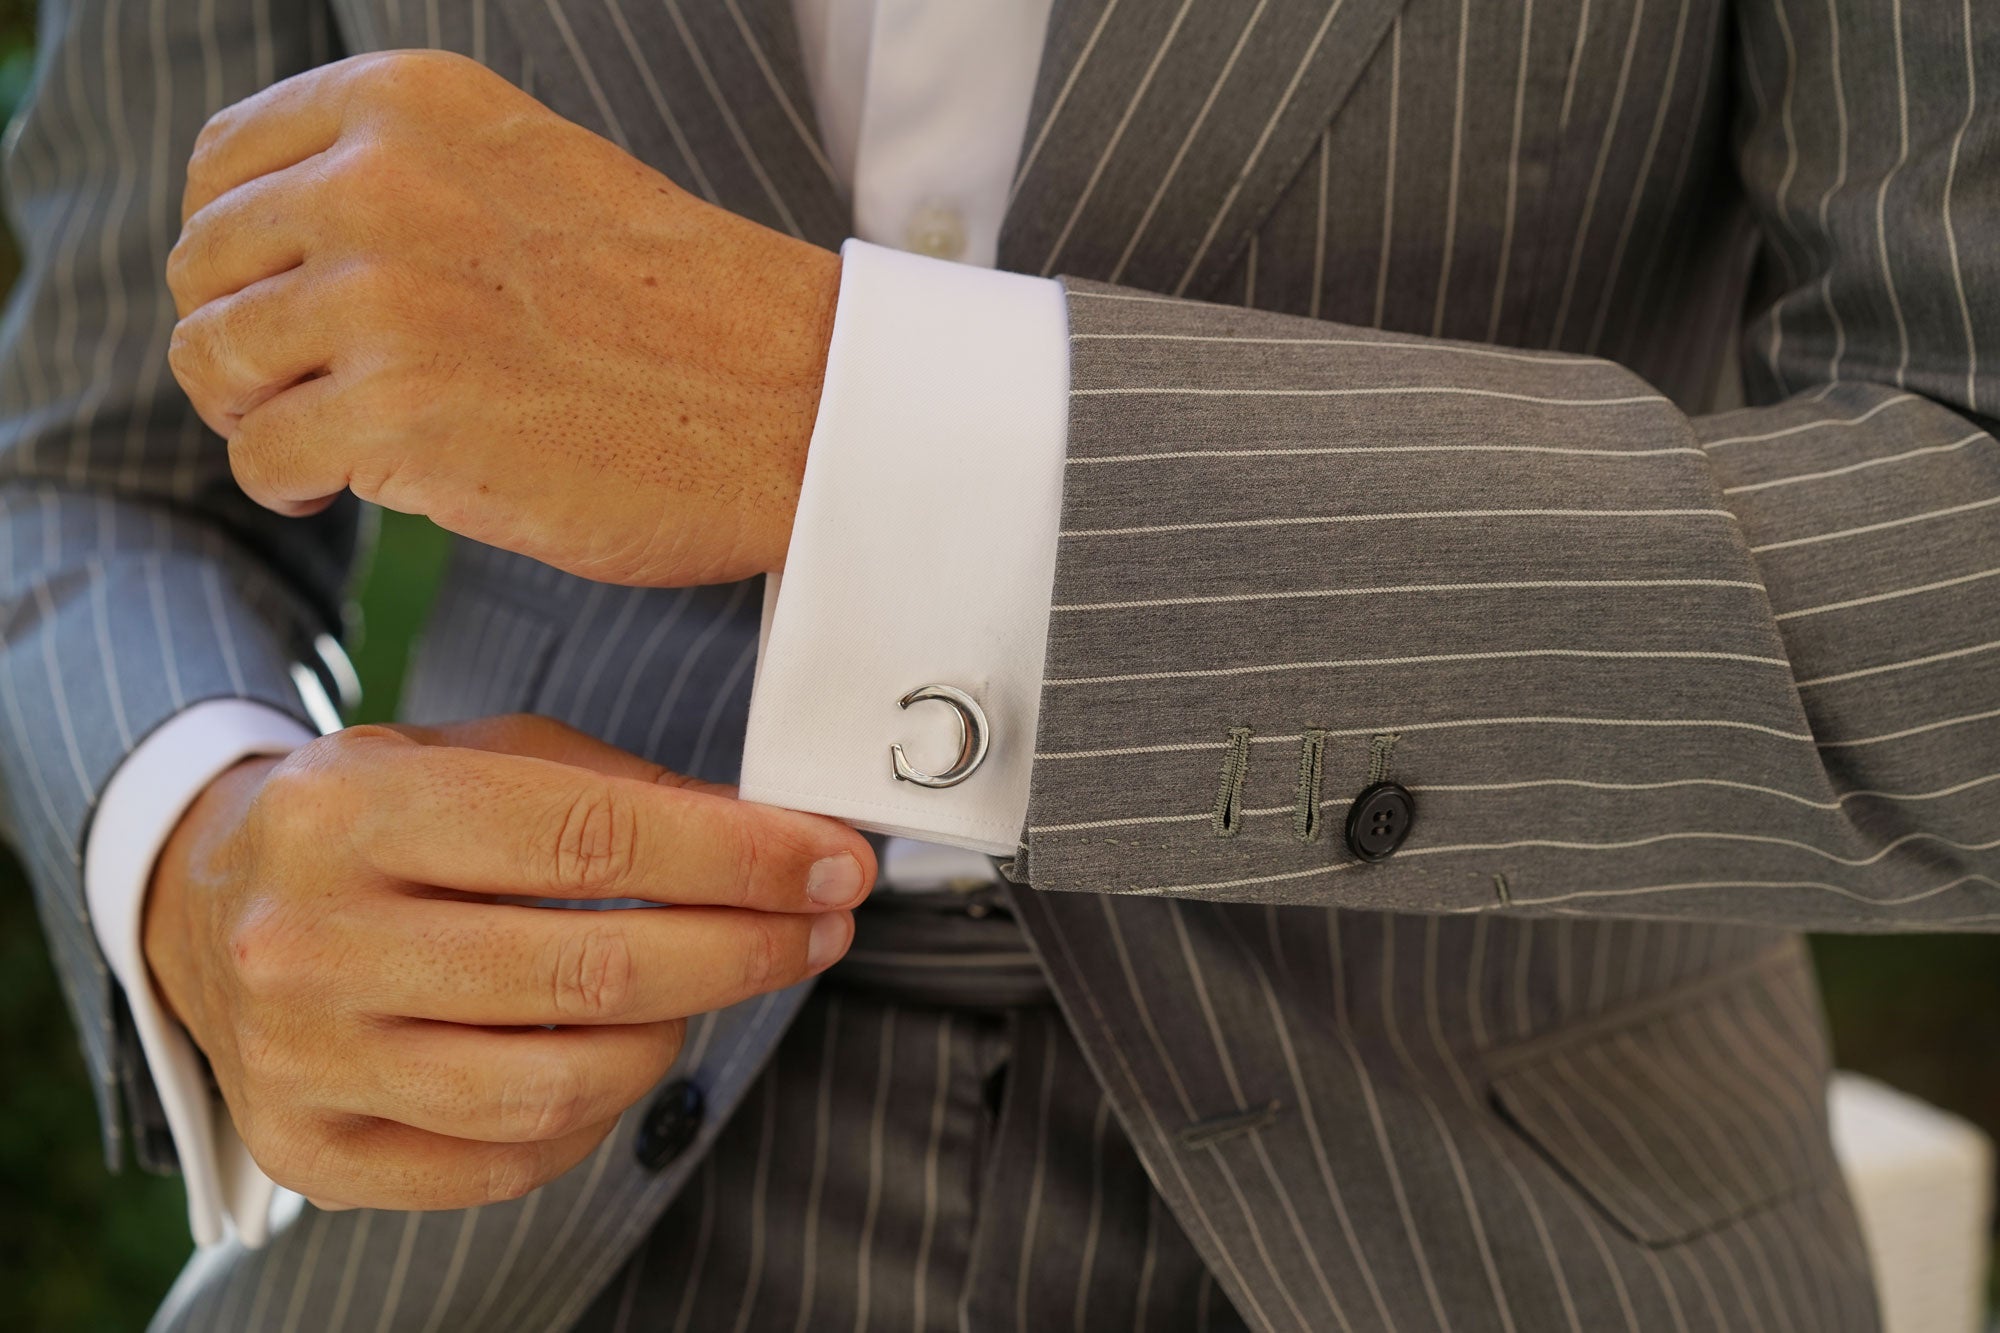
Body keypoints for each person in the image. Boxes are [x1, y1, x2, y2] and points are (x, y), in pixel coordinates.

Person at [2, 0, 1993, 1328]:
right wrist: (194, 833)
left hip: (1491, 1224)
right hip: (514, 1228)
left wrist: (854, 427)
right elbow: (86, 467)